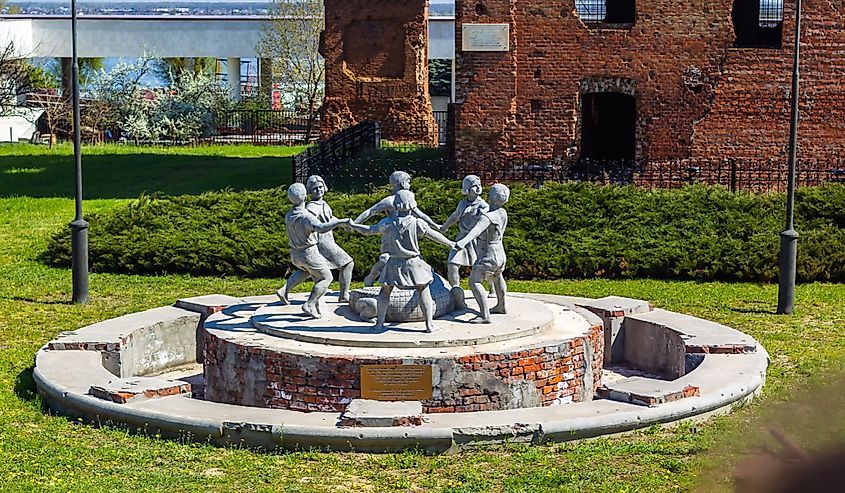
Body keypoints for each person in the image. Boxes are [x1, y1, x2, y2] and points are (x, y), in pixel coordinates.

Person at [347, 190, 455, 333]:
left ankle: (379, 324)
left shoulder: (387, 223)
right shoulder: (417, 223)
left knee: (384, 292)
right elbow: (433, 235)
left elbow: (369, 230)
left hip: (393, 263)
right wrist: (450, 243)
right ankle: (429, 325)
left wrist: (353, 225)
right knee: (423, 291)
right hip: (413, 263)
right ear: (412, 205)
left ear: (396, 205)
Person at [277, 176, 355, 303]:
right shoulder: (310, 209)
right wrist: (340, 222)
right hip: (322, 242)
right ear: (308, 192)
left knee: (306, 270)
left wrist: (342, 224)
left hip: (317, 244)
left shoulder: (321, 204)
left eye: (320, 187)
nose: (318, 190)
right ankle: (342, 295)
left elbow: (328, 218)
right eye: (314, 189)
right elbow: (319, 226)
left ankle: (284, 290)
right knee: (347, 263)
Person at [453, 183, 510, 324]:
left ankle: (484, 315)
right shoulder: (503, 212)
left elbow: (476, 231)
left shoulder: (488, 217)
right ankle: (501, 306)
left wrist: (462, 242)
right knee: (497, 276)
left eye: (490, 192)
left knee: (474, 281)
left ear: (492, 197)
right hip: (500, 251)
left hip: (488, 253)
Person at [440, 175, 489, 309]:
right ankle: (456, 292)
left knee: (482, 267)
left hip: (476, 240)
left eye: (479, 184)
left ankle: (491, 287)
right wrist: (444, 226)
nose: (478, 188)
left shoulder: (483, 205)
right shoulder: (462, 203)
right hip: (462, 239)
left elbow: (484, 224)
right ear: (467, 188)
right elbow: (455, 216)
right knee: (452, 264)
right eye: (474, 185)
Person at [354, 170, 440, 229]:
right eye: (408, 182)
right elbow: (421, 215)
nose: (410, 185)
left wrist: (355, 223)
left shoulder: (389, 200)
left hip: (393, 231)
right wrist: (435, 226)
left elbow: (370, 212)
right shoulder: (404, 199)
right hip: (403, 230)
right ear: (403, 183)